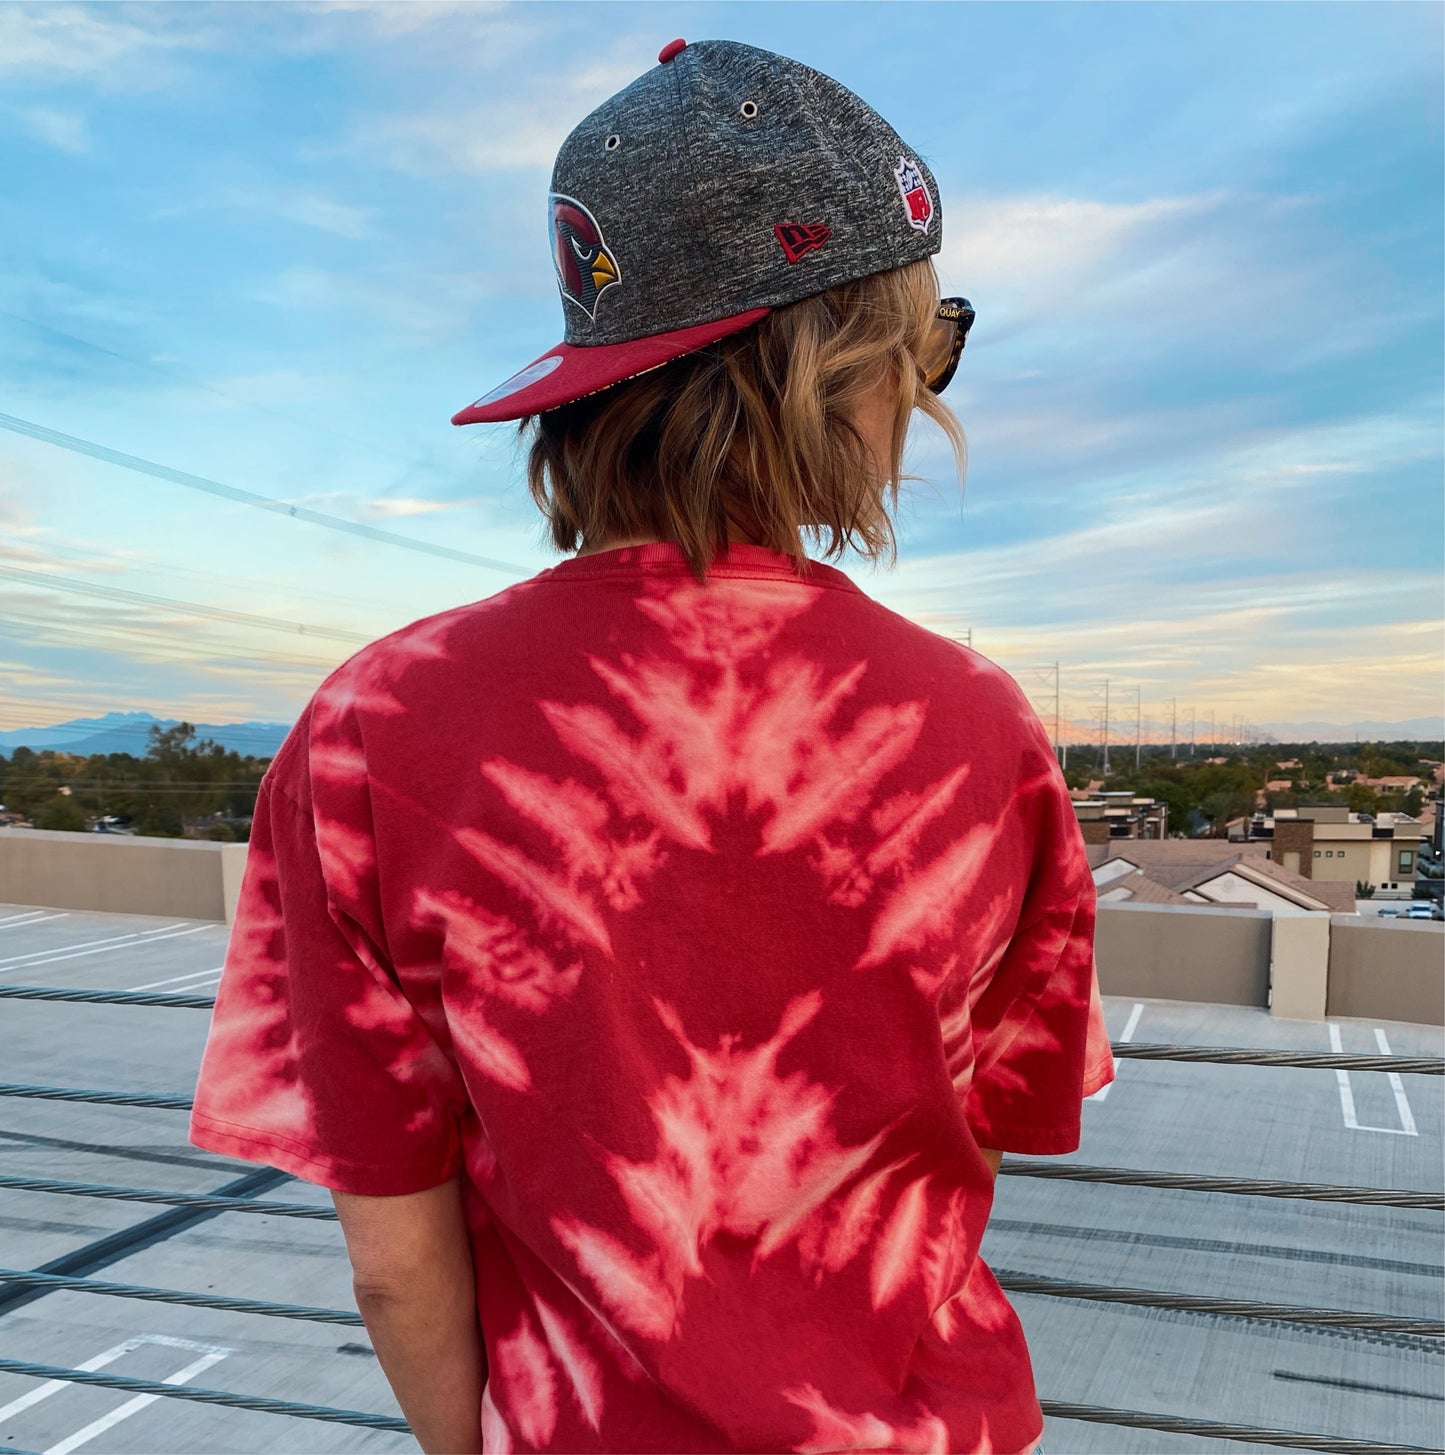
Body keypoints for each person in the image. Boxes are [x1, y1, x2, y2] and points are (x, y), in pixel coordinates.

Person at [189, 37, 1112, 1455]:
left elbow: (390, 1244)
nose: (929, 393)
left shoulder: (374, 721)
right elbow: (969, 1140)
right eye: (928, 341)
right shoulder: (984, 730)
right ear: (841, 367)